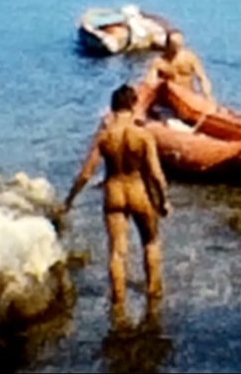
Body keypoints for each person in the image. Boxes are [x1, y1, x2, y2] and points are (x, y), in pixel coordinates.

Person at [60, 84, 171, 317]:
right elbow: (156, 174)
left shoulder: (104, 136)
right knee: (150, 243)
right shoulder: (143, 135)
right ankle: (153, 297)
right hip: (138, 191)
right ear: (134, 105)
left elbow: (86, 174)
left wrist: (70, 199)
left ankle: (118, 304)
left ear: (112, 107)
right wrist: (163, 201)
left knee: (117, 252)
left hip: (114, 193)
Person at [144, 29, 214, 101]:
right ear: (168, 43)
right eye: (175, 43)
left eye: (180, 42)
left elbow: (202, 78)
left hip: (188, 95)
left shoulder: (190, 58)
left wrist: (208, 96)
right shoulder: (159, 62)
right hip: (169, 98)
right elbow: (150, 82)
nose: (178, 45)